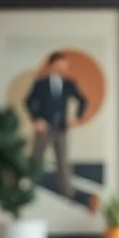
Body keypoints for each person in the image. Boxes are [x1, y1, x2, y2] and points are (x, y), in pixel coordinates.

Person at [24, 51, 87, 201]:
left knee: (63, 161)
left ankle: (67, 192)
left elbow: (82, 100)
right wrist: (36, 120)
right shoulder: (41, 83)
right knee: (36, 158)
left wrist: (76, 118)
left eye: (64, 65)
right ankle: (28, 189)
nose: (61, 68)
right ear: (51, 65)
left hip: (61, 127)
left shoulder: (68, 84)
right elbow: (28, 101)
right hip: (44, 127)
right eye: (59, 64)